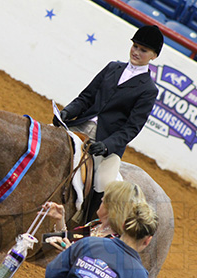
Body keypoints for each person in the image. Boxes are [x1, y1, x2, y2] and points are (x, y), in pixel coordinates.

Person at [53, 25, 164, 219]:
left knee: (103, 182)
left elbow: (132, 128)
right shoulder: (113, 67)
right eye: (135, 46)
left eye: (143, 50)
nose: (136, 52)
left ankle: (86, 226)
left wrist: (106, 146)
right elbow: (86, 98)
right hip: (80, 125)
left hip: (106, 141)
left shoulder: (148, 89)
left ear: (154, 56)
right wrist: (66, 113)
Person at [45, 200, 159, 278]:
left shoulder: (88, 242)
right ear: (148, 240)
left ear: (123, 225)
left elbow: (52, 272)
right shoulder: (139, 274)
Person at [42, 181, 146, 251]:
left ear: (112, 208)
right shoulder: (96, 225)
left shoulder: (113, 242)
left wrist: (70, 254)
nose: (101, 199)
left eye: (104, 199)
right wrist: (60, 219)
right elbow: (67, 240)